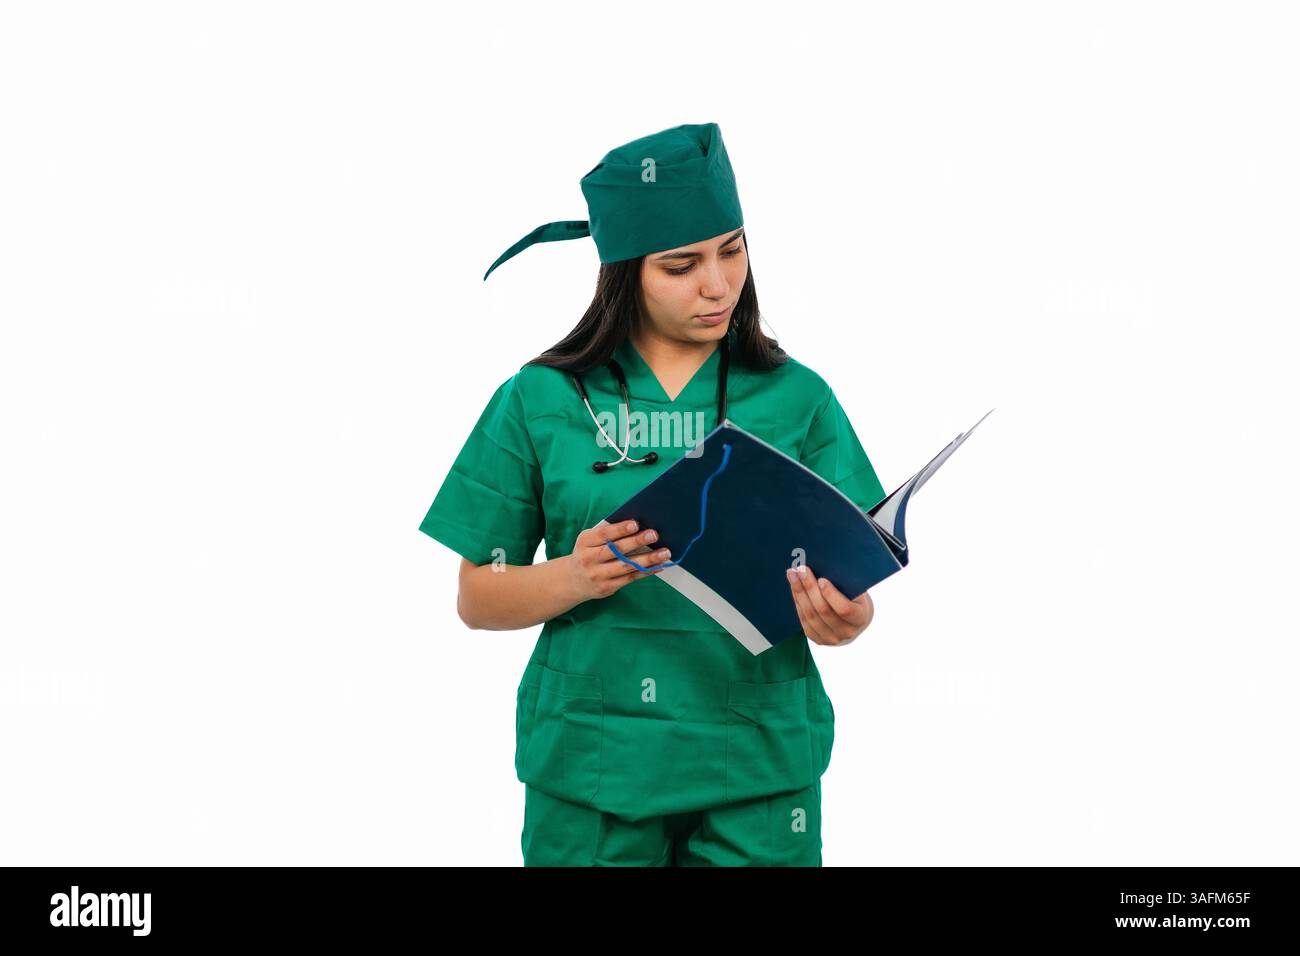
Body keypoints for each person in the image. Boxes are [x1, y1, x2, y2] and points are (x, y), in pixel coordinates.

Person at [418, 122, 885, 866]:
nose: (718, 283)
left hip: (758, 771)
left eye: (732, 250)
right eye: (682, 264)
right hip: (594, 772)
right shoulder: (542, 398)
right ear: (625, 271)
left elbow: (853, 577)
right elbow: (477, 597)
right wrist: (575, 576)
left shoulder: (799, 397)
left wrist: (845, 618)